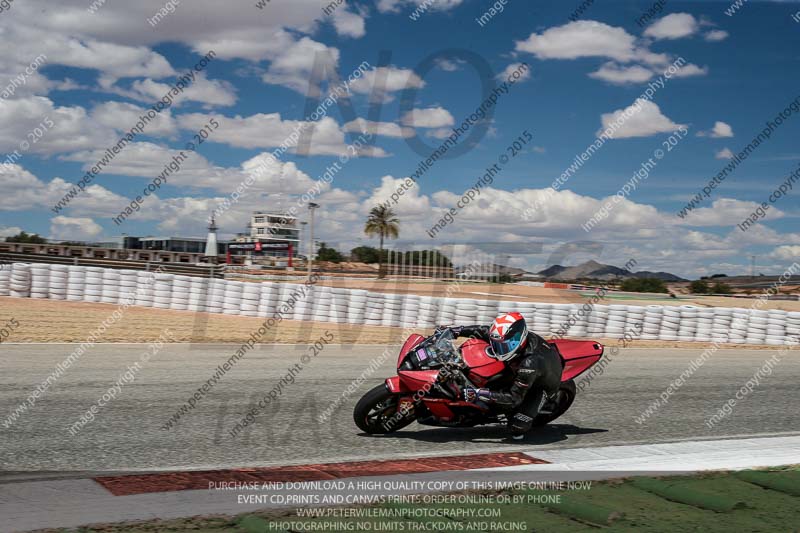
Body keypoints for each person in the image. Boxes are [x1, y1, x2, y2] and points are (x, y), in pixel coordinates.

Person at [437, 312, 563, 439]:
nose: (499, 349)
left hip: (543, 386)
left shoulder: (529, 364)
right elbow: (483, 331)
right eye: (497, 344)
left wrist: (478, 394)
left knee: (517, 427)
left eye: (504, 346)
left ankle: (521, 419)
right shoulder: (508, 339)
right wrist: (455, 331)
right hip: (525, 369)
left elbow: (514, 399)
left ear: (517, 340)